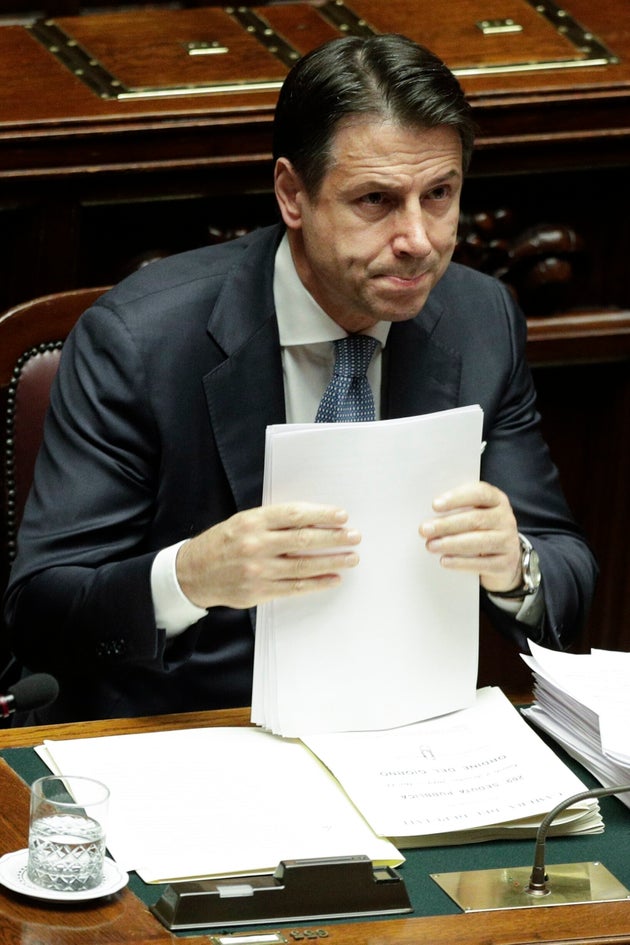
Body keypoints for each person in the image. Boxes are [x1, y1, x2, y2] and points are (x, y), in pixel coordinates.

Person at [3, 34, 597, 724]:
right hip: (197, 732)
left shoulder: (479, 318)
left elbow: (568, 585)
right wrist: (190, 576)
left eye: (440, 194)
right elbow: (42, 612)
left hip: (412, 734)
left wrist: (513, 563)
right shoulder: (140, 341)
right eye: (376, 200)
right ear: (293, 193)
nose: (420, 238)